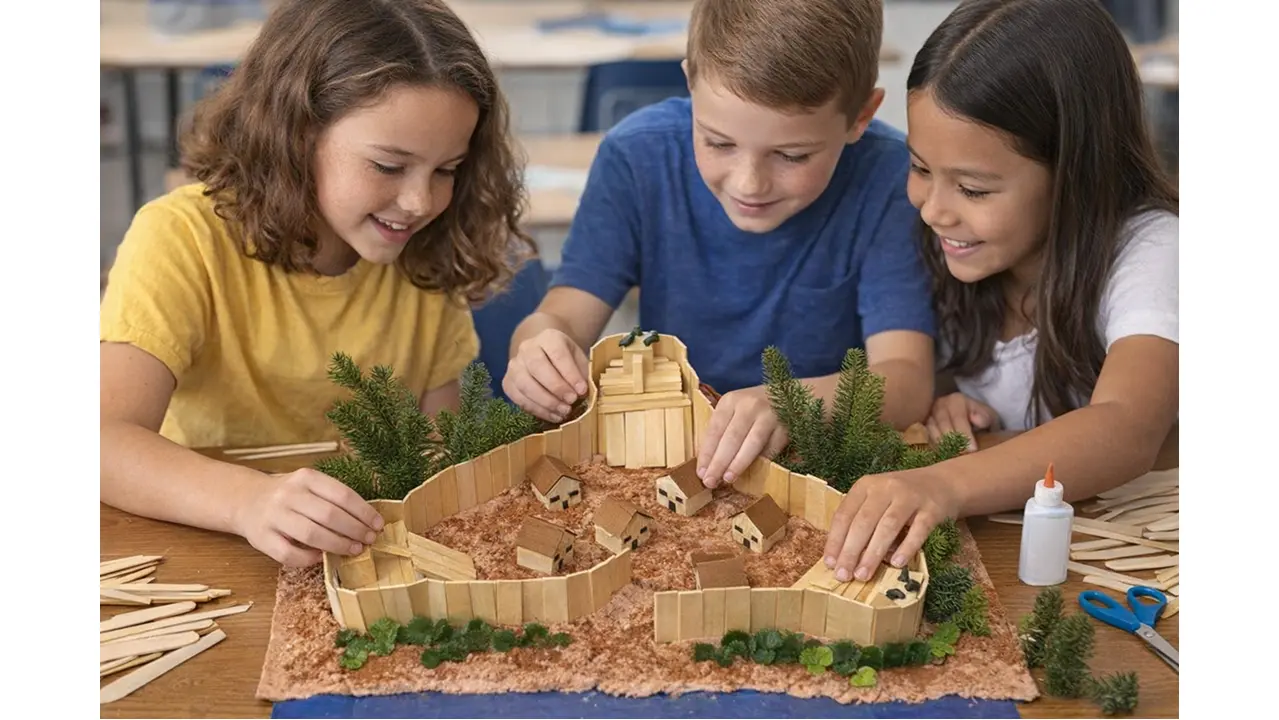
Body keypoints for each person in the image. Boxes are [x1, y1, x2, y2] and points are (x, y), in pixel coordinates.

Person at [99, 0, 535, 568]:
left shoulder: (426, 253)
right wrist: (248, 500)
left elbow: (434, 460)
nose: (420, 202)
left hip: (356, 561)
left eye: (446, 170)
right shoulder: (182, 238)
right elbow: (99, 441)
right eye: (387, 165)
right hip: (210, 550)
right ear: (295, 133)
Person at [503, 0, 937, 488]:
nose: (749, 184)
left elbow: (906, 379)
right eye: (718, 143)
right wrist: (536, 345)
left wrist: (791, 404)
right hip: (670, 456)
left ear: (860, 117)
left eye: (792, 155)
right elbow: (561, 315)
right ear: (690, 82)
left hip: (822, 468)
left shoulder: (890, 181)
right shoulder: (637, 157)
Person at [823, 0, 1179, 583]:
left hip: (1124, 560)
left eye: (973, 189)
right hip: (1010, 561)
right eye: (919, 167)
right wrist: (949, 401)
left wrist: (943, 483)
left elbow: (1127, 426)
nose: (935, 209)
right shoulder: (955, 247)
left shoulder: (1153, 249)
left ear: (1076, 174)